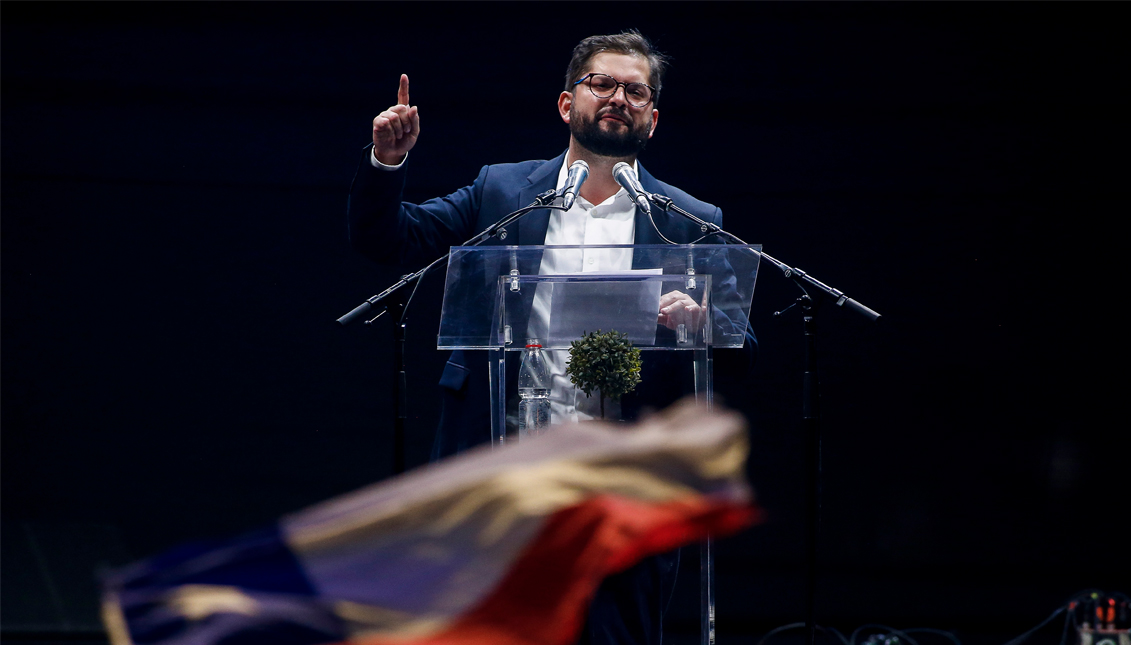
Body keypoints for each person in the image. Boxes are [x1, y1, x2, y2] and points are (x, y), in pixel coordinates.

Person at [348, 30, 755, 645]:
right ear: (569, 104)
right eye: (603, 84)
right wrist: (387, 162)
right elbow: (391, 241)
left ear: (652, 115)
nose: (618, 97)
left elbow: (739, 342)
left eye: (635, 90)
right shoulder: (502, 191)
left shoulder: (687, 220)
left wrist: (702, 321)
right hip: (500, 468)